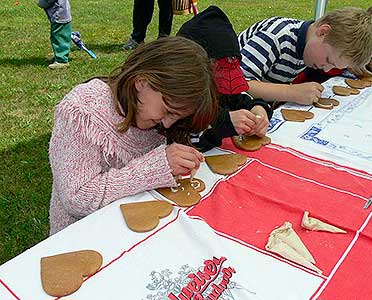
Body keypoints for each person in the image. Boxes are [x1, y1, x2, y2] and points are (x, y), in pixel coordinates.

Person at [49, 37, 218, 234]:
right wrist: (156, 168)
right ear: (142, 82)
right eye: (168, 111)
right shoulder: (82, 112)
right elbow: (77, 199)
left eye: (178, 117)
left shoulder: (158, 116)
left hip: (140, 229)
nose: (168, 123)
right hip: (84, 237)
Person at [177, 6, 273, 152]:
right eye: (219, 76)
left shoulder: (223, 92)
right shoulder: (176, 100)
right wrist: (224, 123)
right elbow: (185, 139)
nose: (222, 87)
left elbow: (239, 99)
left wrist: (259, 109)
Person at [238, 7, 372, 106]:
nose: (326, 69)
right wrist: (290, 92)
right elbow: (237, 84)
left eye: (334, 66)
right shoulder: (276, 36)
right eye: (329, 60)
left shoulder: (309, 48)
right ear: (323, 32)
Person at [38, 0, 72, 69]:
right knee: (58, 37)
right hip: (60, 13)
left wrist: (42, 3)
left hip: (59, 14)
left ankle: (62, 61)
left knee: (59, 38)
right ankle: (59, 57)